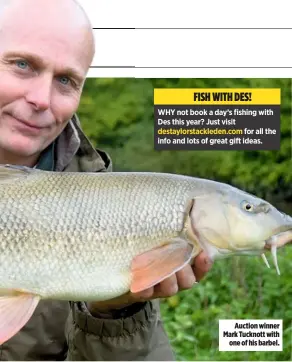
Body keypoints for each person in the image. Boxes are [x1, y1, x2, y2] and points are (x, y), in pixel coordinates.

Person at [0, 0, 213, 360]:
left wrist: (114, 312)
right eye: (22, 65)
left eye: (66, 80)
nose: (40, 99)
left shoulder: (115, 207)